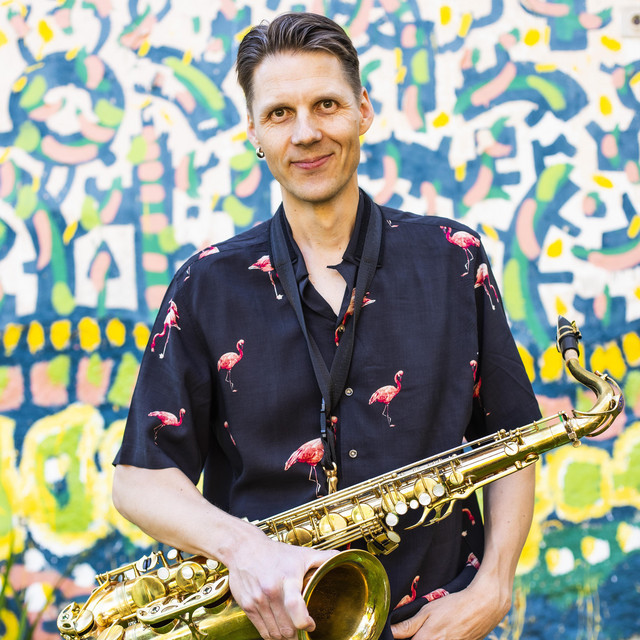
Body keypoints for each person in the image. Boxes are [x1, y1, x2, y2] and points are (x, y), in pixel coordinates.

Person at [112, 12, 540, 640]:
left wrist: (495, 585)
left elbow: (512, 437)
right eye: (279, 113)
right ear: (255, 131)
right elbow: (139, 479)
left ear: (363, 109)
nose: (306, 132)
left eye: (327, 104)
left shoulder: (453, 258)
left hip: (436, 622)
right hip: (271, 625)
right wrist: (243, 549)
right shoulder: (205, 284)